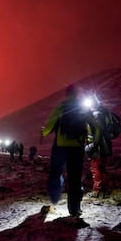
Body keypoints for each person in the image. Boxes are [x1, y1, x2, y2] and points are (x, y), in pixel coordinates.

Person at [41, 85, 99, 217]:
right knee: (75, 178)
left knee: (56, 171)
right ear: (77, 94)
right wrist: (91, 142)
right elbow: (94, 126)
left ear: (67, 94)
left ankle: (55, 197)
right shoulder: (83, 107)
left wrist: (43, 132)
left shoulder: (61, 106)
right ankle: (74, 209)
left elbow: (49, 127)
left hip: (61, 146)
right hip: (77, 147)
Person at [86, 100, 115, 198]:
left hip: (99, 147)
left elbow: (99, 132)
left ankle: (96, 191)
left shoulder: (96, 114)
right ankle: (105, 190)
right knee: (101, 168)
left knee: (95, 167)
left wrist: (92, 146)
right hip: (104, 146)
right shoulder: (103, 113)